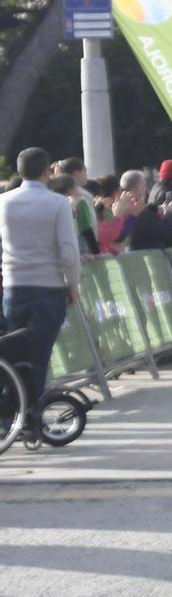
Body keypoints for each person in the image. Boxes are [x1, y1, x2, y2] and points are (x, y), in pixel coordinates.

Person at [0, 147, 82, 410]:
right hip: (48, 287)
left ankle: (10, 412)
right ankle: (31, 416)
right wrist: (72, 285)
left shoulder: (4, 202)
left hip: (13, 287)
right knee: (39, 356)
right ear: (48, 171)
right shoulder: (58, 203)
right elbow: (69, 254)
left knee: (14, 356)